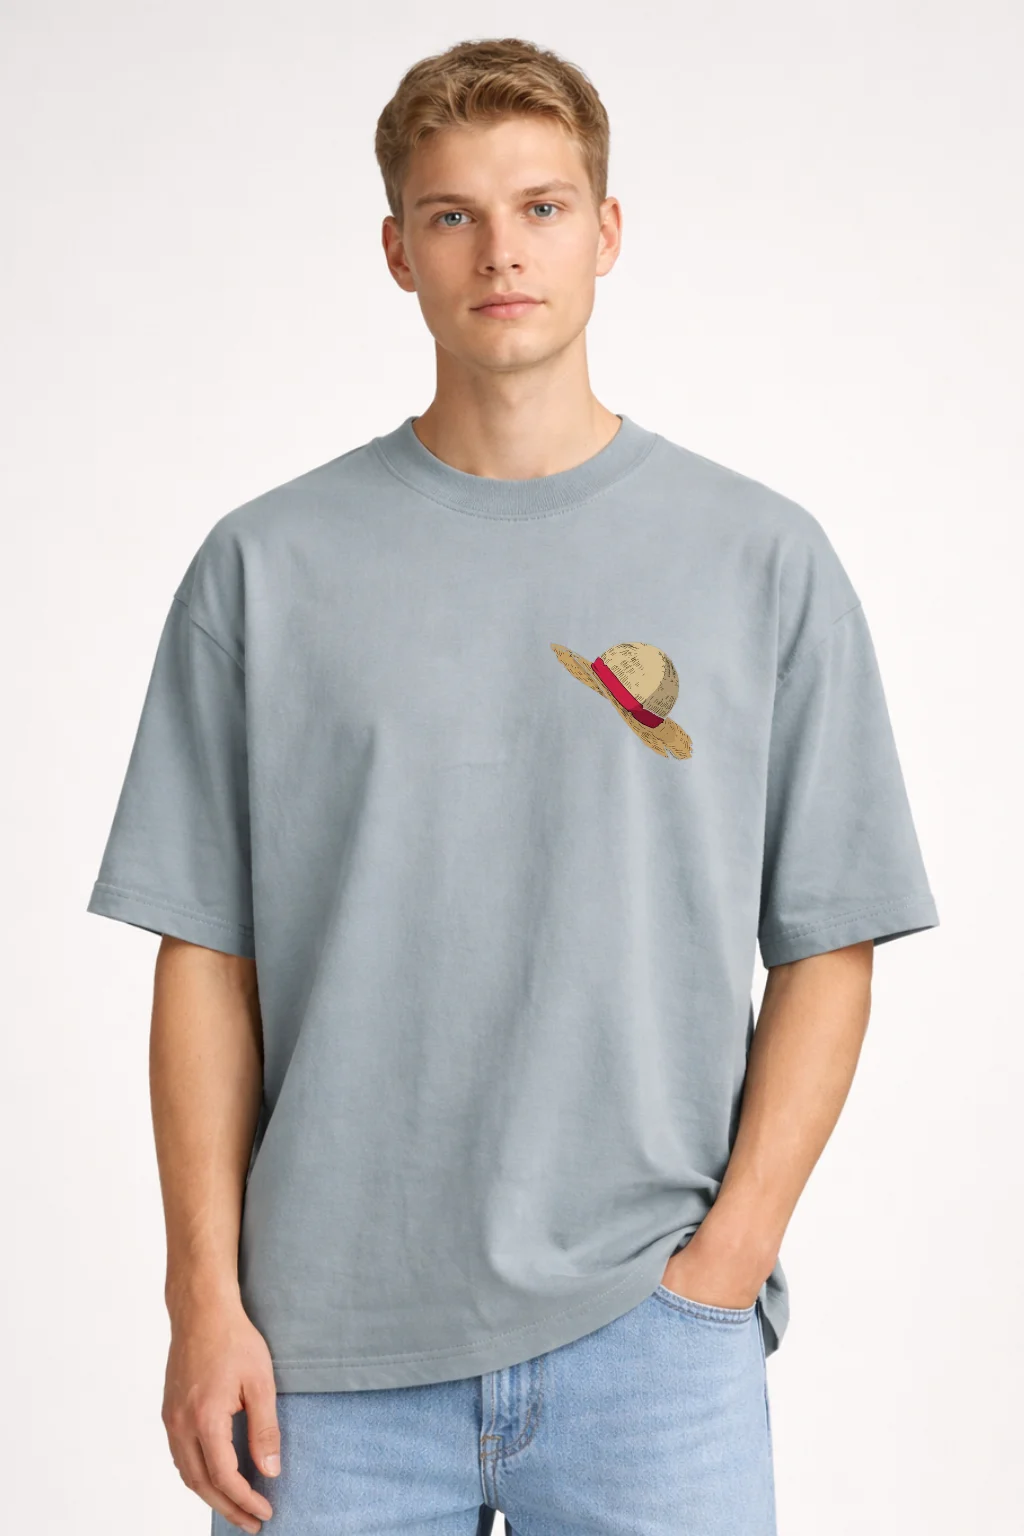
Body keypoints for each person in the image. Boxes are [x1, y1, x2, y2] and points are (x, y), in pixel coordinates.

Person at [86, 35, 940, 1536]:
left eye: (541, 208)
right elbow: (205, 959)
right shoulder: (266, 567)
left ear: (606, 232)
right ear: (397, 251)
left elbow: (832, 940)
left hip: (650, 1344)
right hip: (322, 1357)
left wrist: (725, 1268)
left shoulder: (760, 558)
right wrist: (202, 1299)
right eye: (454, 215)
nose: (501, 252)